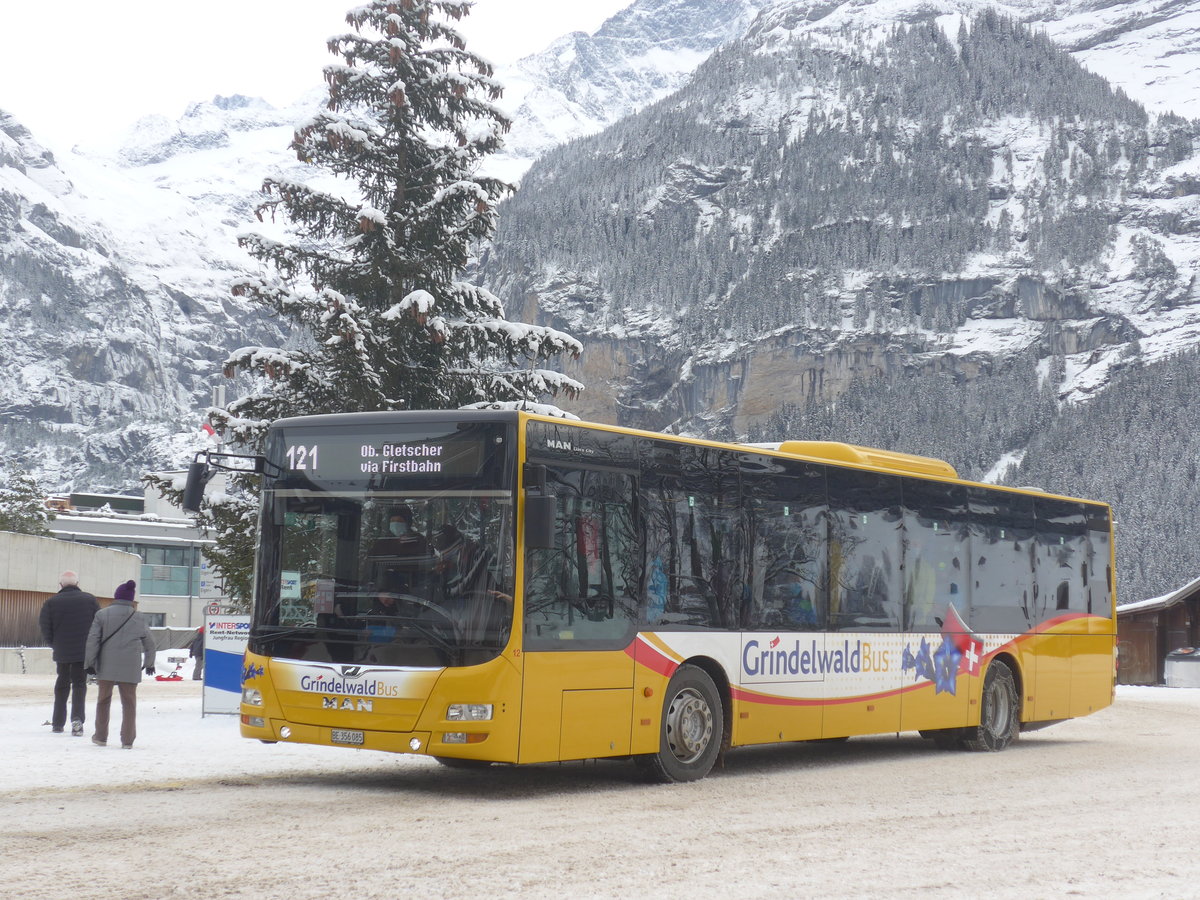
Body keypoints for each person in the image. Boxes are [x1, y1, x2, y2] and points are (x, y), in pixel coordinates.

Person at [84, 580, 157, 749]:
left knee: (103, 700)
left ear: (116, 597)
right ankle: (128, 740)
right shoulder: (139, 617)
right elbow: (150, 643)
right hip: (130, 665)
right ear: (131, 599)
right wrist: (149, 663)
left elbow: (92, 640)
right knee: (129, 703)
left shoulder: (101, 615)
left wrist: (90, 663)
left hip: (106, 663)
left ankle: (101, 736)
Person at [38, 571, 100, 736]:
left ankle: (58, 723)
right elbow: (97, 625)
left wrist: (55, 645)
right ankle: (77, 720)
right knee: (79, 684)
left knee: (61, 684)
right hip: (82, 651)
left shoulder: (51, 602)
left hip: (62, 650)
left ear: (60, 585)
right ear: (77, 584)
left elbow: (45, 628)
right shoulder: (90, 600)